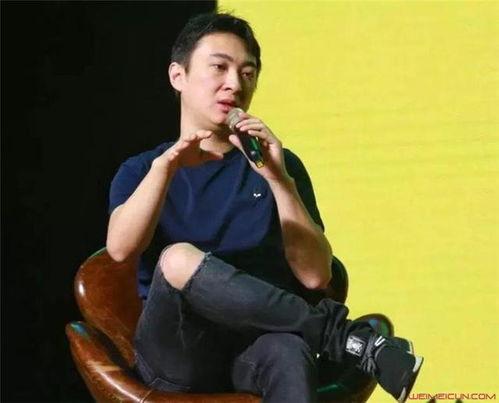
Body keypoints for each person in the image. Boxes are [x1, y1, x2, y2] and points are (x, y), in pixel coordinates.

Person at [106, 12, 423, 403]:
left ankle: (342, 339)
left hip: (253, 347)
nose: (234, 84)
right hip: (179, 353)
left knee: (289, 351)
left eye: (248, 73)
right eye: (219, 67)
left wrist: (278, 180)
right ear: (178, 76)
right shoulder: (143, 169)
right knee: (177, 259)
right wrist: (166, 168)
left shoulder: (278, 167)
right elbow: (119, 249)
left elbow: (315, 277)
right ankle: (343, 338)